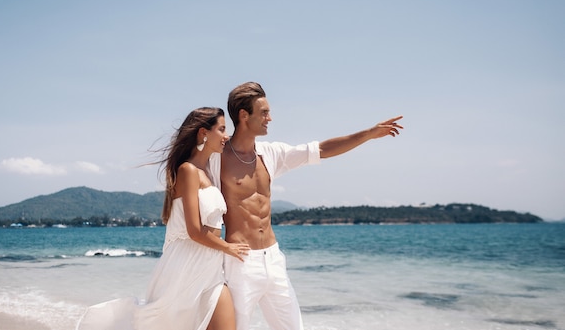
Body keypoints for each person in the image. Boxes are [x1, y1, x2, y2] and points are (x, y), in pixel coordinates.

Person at [207, 82, 403, 330]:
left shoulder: (271, 153)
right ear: (244, 116)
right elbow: (190, 189)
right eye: (264, 112)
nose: (270, 118)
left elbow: (320, 149)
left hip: (273, 258)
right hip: (240, 262)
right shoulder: (217, 159)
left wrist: (368, 134)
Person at [76, 107, 250, 330]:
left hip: (211, 266)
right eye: (222, 129)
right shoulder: (188, 170)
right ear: (203, 133)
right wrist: (229, 248)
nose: (226, 136)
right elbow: (194, 231)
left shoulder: (207, 171)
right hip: (185, 266)